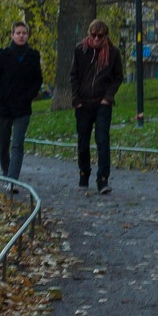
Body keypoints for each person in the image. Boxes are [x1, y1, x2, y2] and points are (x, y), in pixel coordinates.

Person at [69, 19, 124, 193]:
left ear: (106, 36)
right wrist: (76, 99)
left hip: (102, 102)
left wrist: (108, 97)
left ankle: (102, 179)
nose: (96, 39)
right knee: (83, 142)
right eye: (93, 35)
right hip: (83, 102)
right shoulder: (80, 50)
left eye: (100, 36)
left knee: (102, 140)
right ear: (89, 34)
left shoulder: (113, 54)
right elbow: (74, 76)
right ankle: (84, 176)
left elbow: (118, 77)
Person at [0, 20, 43, 180]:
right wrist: (1, 94)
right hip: (4, 108)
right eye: (18, 33)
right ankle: (6, 173)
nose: (21, 36)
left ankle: (12, 179)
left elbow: (37, 80)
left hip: (22, 108)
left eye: (24, 33)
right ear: (12, 35)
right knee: (3, 146)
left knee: (17, 145)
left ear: (28, 35)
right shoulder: (3, 55)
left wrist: (29, 95)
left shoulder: (33, 56)